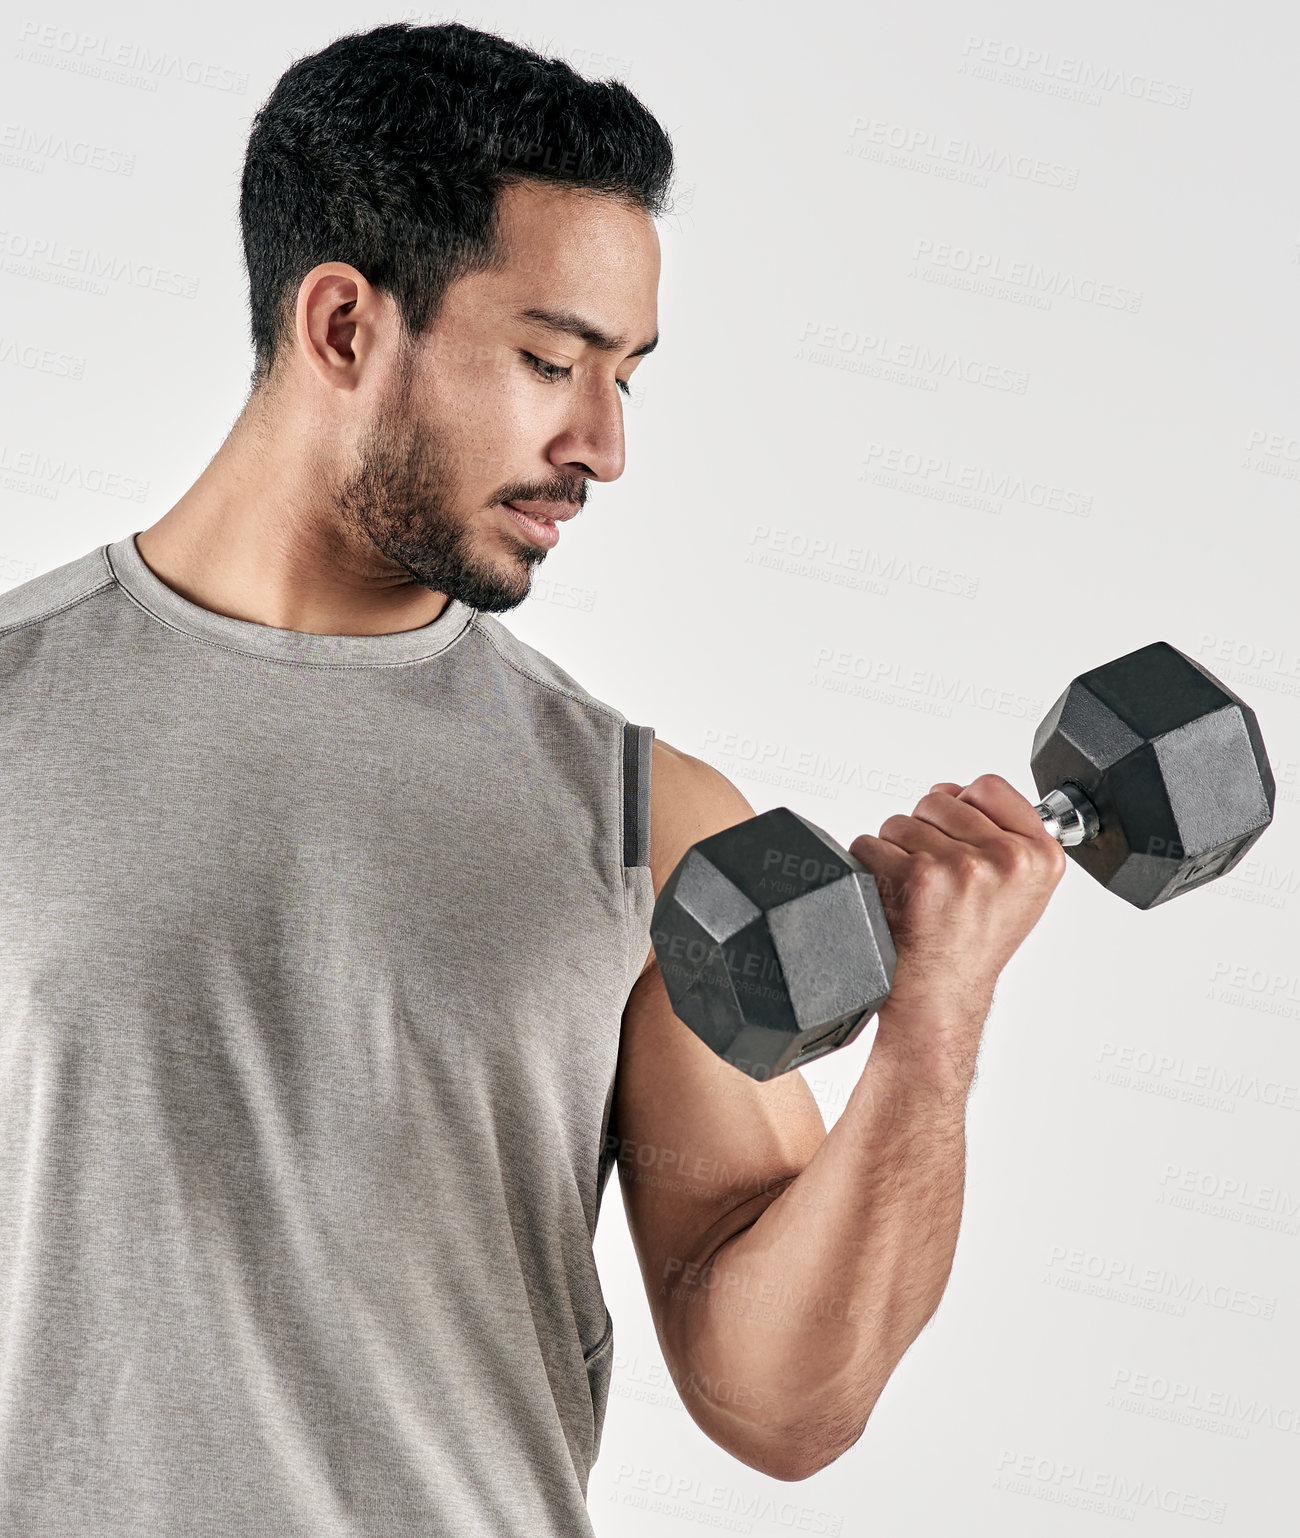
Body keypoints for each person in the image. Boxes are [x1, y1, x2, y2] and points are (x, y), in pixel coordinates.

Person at [0, 19, 1065, 1536]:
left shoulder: (651, 824)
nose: (607, 445)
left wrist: (934, 1037)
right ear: (345, 328)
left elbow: (781, 1400)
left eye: (626, 374)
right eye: (552, 361)